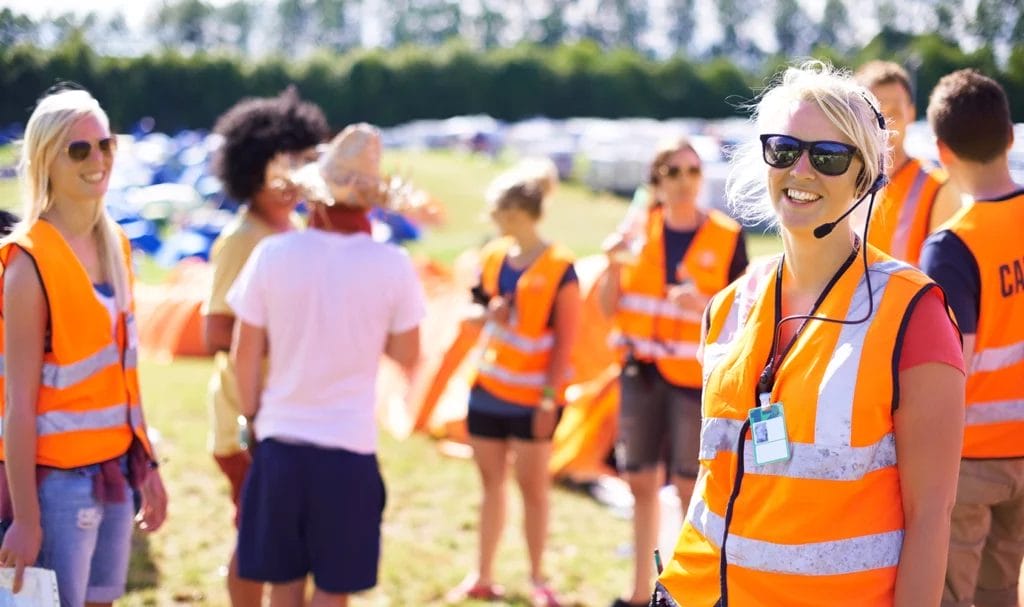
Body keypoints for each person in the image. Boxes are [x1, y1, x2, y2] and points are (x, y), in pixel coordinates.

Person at [654, 61, 965, 607]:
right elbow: (713, 482)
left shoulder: (913, 315)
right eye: (784, 149)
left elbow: (931, 517)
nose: (801, 170)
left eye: (827, 157)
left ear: (864, 176)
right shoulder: (728, 306)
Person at [228, 123, 424, 607]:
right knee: (334, 591)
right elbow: (408, 355)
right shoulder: (392, 264)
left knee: (283, 583)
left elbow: (244, 352)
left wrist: (249, 418)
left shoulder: (273, 254)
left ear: (313, 194)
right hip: (349, 448)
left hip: (280, 442)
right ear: (371, 202)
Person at [0, 87, 168, 606]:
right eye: (80, 149)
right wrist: (27, 519)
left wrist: (149, 466)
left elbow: (123, 373)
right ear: (47, 159)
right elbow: (16, 406)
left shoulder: (116, 244)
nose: (98, 160)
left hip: (116, 471)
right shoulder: (27, 264)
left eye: (106, 144)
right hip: (59, 486)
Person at [597, 137, 748, 607]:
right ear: (657, 181)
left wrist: (703, 304)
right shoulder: (638, 230)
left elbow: (745, 315)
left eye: (693, 171)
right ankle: (638, 593)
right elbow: (608, 309)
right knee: (640, 481)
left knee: (690, 488)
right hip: (640, 372)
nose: (685, 182)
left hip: (692, 379)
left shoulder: (726, 234)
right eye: (674, 172)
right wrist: (610, 264)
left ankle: (689, 594)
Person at [202, 88, 328, 607]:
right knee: (257, 539)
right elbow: (215, 333)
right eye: (288, 160)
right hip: (247, 424)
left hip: (293, 416)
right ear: (253, 165)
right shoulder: (242, 239)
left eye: (305, 159)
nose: (298, 172)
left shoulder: (296, 228)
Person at [447, 159, 581, 607]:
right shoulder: (492, 256)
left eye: (497, 212)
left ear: (515, 213)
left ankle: (539, 578)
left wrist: (548, 399)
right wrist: (490, 313)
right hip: (487, 391)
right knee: (490, 486)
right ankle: (482, 575)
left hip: (533, 401)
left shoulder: (561, 266)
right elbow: (470, 310)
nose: (493, 220)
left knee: (533, 490)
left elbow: (567, 342)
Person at [919, 70, 1024, 607]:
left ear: (940, 150)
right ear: (1011, 136)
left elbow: (947, 367)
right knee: (1001, 591)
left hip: (971, 460)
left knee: (952, 595)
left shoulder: (952, 247)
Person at [855, 60, 961, 265]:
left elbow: (949, 280)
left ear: (910, 113)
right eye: (874, 113)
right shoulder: (844, 185)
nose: (884, 125)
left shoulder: (938, 187)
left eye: (894, 112)